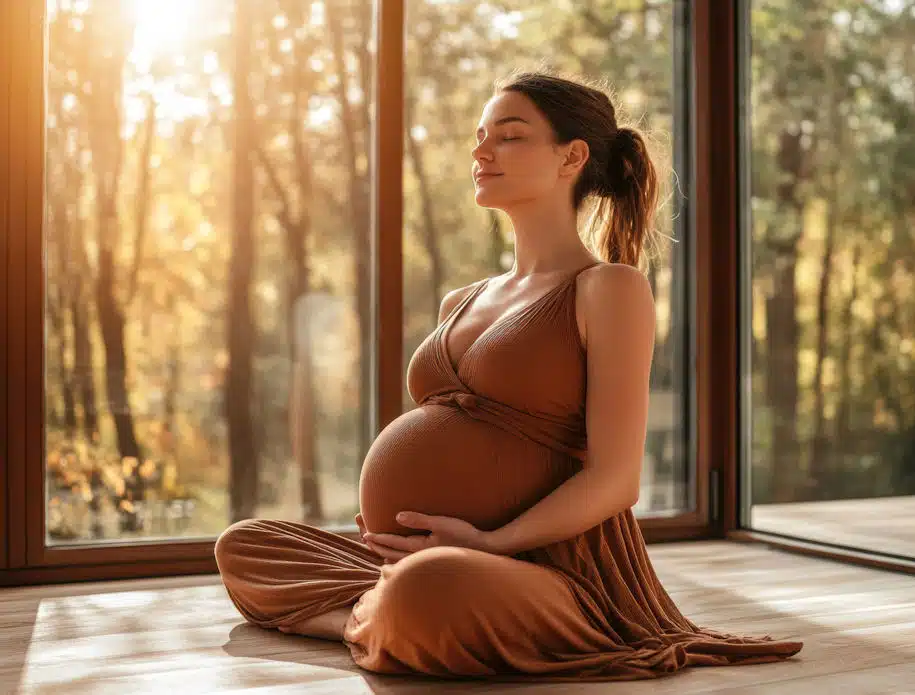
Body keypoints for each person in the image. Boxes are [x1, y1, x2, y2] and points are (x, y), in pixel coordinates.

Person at [214, 70, 803, 682]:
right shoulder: (461, 301)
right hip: (440, 560)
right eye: (479, 135)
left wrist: (488, 543)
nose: (481, 150)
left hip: (550, 570)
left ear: (570, 157)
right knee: (245, 547)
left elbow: (616, 479)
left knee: (430, 587)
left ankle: (387, 612)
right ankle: (385, 613)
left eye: (510, 136)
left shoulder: (609, 288)